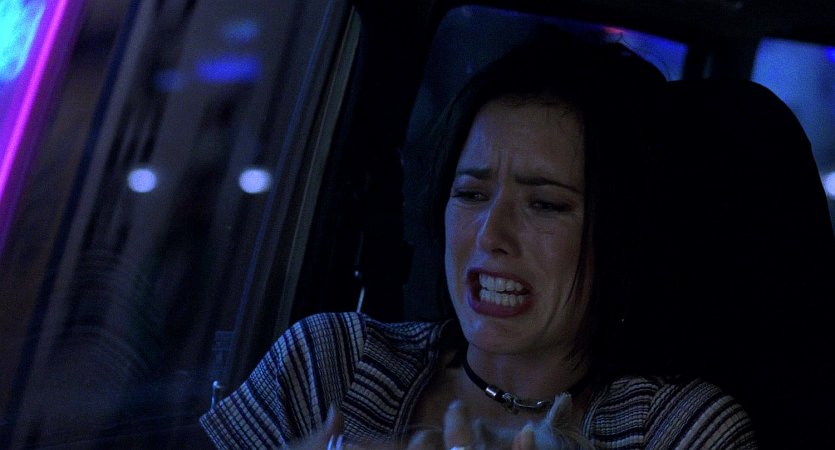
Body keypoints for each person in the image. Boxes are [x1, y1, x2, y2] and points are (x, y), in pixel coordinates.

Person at [199, 38, 757, 449]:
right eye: (470, 194)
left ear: (623, 232)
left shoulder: (679, 431)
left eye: (545, 204)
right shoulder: (330, 364)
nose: (491, 235)